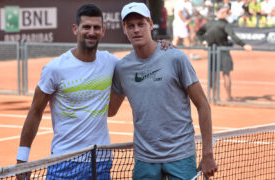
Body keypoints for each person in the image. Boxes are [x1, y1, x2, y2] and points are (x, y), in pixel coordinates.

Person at [16, 3, 173, 179]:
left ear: (103, 31)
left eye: (96, 27)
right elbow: (35, 111)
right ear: (76, 29)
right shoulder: (55, 68)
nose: (92, 32)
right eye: (87, 27)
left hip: (100, 161)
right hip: (64, 161)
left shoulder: (112, 63)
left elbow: (141, 61)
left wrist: (160, 47)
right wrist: (22, 160)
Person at [109, 2, 217, 180]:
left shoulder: (176, 58)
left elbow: (203, 104)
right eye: (130, 26)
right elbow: (110, 110)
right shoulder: (122, 68)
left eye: (141, 24)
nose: (136, 30)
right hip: (145, 160)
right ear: (124, 29)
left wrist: (207, 154)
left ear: (150, 24)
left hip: (181, 156)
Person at [197, 3, 253, 101]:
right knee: (219, 74)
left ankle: (219, 97)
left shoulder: (216, 23)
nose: (225, 14)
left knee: (219, 74)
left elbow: (199, 33)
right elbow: (233, 35)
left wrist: (204, 41)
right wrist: (243, 44)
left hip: (217, 51)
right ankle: (218, 97)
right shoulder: (220, 24)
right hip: (220, 51)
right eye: (224, 12)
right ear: (219, 12)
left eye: (226, 12)